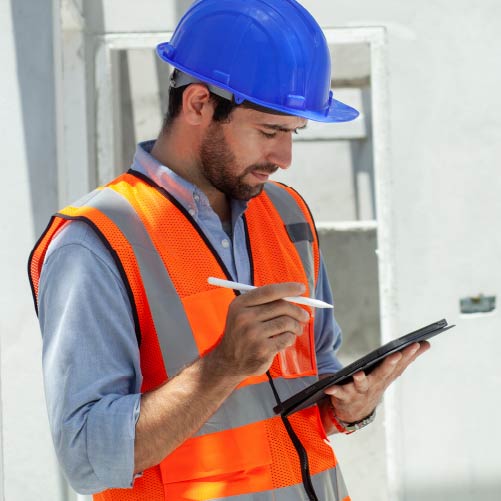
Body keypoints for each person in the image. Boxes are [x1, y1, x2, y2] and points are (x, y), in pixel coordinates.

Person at [28, 1, 429, 500]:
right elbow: (86, 459)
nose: (285, 157)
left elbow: (304, 393)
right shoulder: (97, 243)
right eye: (269, 131)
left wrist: (349, 407)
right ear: (199, 103)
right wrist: (221, 367)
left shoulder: (288, 216)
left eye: (294, 133)